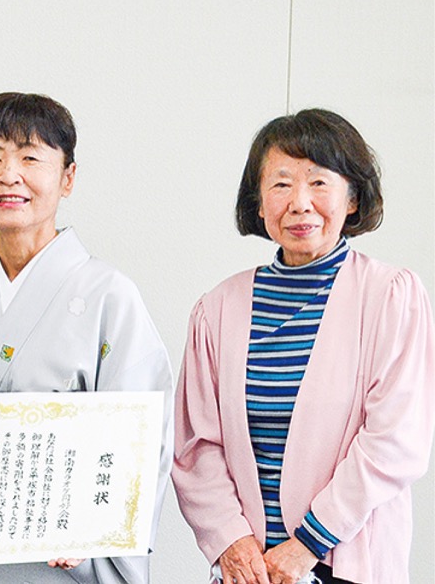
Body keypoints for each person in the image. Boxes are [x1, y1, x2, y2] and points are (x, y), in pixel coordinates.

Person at [0, 92, 173, 583]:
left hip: (65, 557)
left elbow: (141, 443)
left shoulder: (109, 295)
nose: (8, 175)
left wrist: (95, 531)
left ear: (68, 177)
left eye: (30, 158)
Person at [173, 109, 435, 584]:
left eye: (318, 182)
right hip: (250, 570)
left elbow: (394, 439)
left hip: (347, 564)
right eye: (281, 184)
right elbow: (196, 445)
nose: (299, 203)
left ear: (352, 199)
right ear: (258, 203)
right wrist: (233, 542)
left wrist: (308, 544)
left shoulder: (390, 296)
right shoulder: (218, 309)